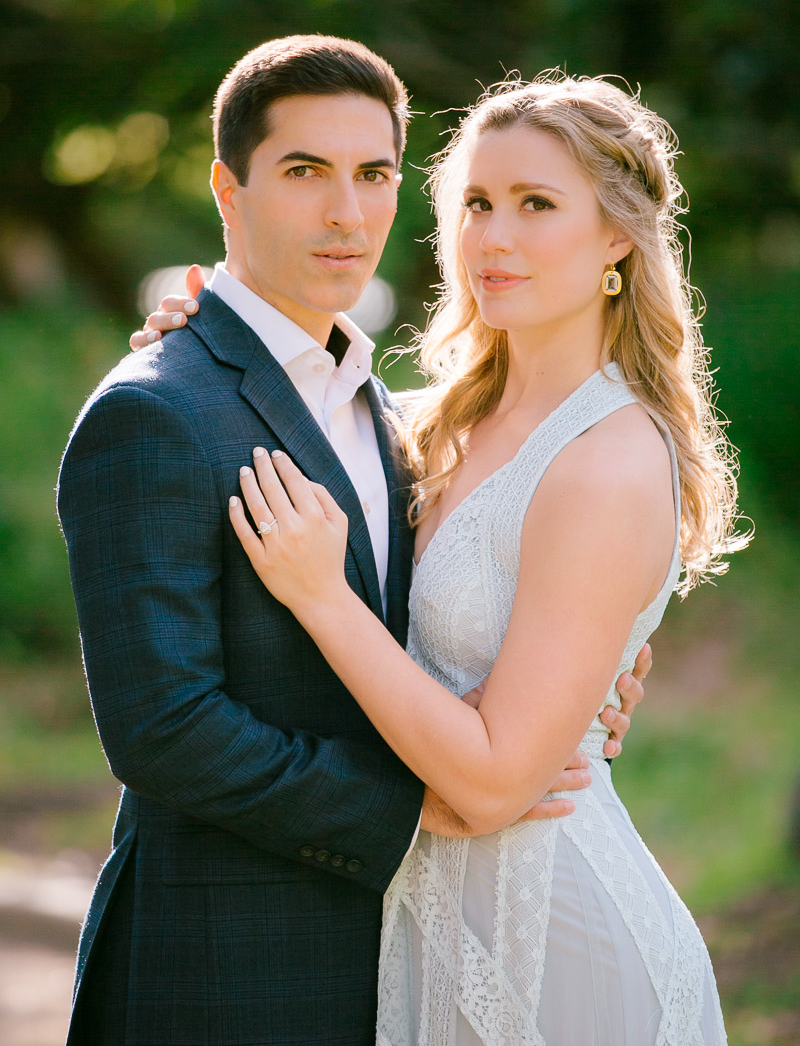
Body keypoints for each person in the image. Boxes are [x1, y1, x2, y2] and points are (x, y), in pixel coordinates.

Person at [58, 39, 646, 1046]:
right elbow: (163, 728)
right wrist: (415, 806)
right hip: (225, 973)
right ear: (226, 188)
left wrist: (578, 682)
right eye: (303, 172)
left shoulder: (391, 413)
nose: (347, 213)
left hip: (404, 967)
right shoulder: (156, 413)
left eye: (372, 173)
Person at [193, 74, 747, 1042]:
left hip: (558, 952)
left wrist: (326, 600)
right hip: (428, 917)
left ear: (615, 235)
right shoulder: (432, 422)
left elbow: (493, 783)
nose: (491, 238)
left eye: (535, 204)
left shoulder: (606, 460)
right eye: (475, 205)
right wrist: (189, 345)